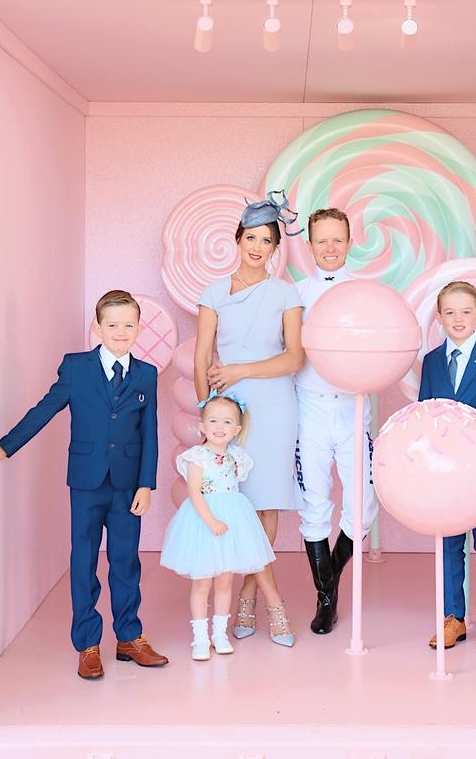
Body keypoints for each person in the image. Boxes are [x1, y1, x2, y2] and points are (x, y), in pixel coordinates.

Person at [0, 290, 168, 679]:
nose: (121, 331)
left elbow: (150, 433)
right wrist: (6, 446)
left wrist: (146, 485)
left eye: (128, 325)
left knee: (125, 561)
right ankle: (87, 643)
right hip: (86, 482)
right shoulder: (76, 368)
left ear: (138, 329)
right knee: (83, 561)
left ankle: (129, 637)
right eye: (113, 325)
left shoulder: (146, 375)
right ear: (98, 328)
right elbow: (45, 409)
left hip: (127, 484)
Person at [193, 190, 304, 646]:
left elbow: (293, 358)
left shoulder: (285, 292)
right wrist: (207, 417)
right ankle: (272, 600)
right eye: (251, 238)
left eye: (267, 241)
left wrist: (238, 370)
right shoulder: (213, 292)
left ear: (276, 249)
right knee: (229, 501)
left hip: (275, 405)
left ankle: (248, 597)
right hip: (228, 411)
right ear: (238, 239)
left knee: (265, 503)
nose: (258, 247)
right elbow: (202, 357)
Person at [295, 207, 378, 634]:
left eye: (337, 240)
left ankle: (331, 579)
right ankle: (325, 600)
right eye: (321, 240)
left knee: (362, 507)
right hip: (308, 408)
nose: (330, 248)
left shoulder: (367, 295)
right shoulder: (293, 294)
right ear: (309, 245)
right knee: (313, 505)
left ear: (349, 243)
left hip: (352, 408)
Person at [418, 280, 476, 651]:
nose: (458, 318)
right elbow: (424, 411)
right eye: (450, 312)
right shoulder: (432, 360)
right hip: (444, 469)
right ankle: (453, 617)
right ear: (439, 317)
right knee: (449, 542)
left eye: (466, 311)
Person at [161, 392, 277, 660]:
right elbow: (194, 493)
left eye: (227, 422)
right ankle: (200, 639)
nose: (219, 427)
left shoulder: (237, 457)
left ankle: (220, 633)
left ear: (236, 429)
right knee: (202, 583)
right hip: (203, 522)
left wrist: (223, 522)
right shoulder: (196, 457)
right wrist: (211, 521)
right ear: (202, 426)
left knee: (225, 581)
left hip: (232, 522)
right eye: (213, 421)